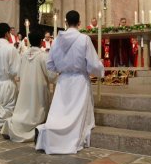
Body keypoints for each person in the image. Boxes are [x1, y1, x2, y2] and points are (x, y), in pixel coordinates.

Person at [35, 10, 104, 154]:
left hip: (63, 81)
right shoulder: (84, 39)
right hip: (79, 81)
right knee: (76, 116)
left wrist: (62, 69)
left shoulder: (57, 41)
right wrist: (100, 68)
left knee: (60, 112)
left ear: (66, 22)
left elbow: (50, 64)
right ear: (79, 23)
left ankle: (52, 135)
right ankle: (68, 139)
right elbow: (92, 64)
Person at [1, 31, 57, 142]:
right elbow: (52, 76)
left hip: (25, 89)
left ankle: (15, 125)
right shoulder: (44, 57)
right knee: (37, 113)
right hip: (39, 90)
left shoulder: (23, 56)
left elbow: (19, 74)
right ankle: (35, 129)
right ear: (42, 42)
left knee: (23, 110)